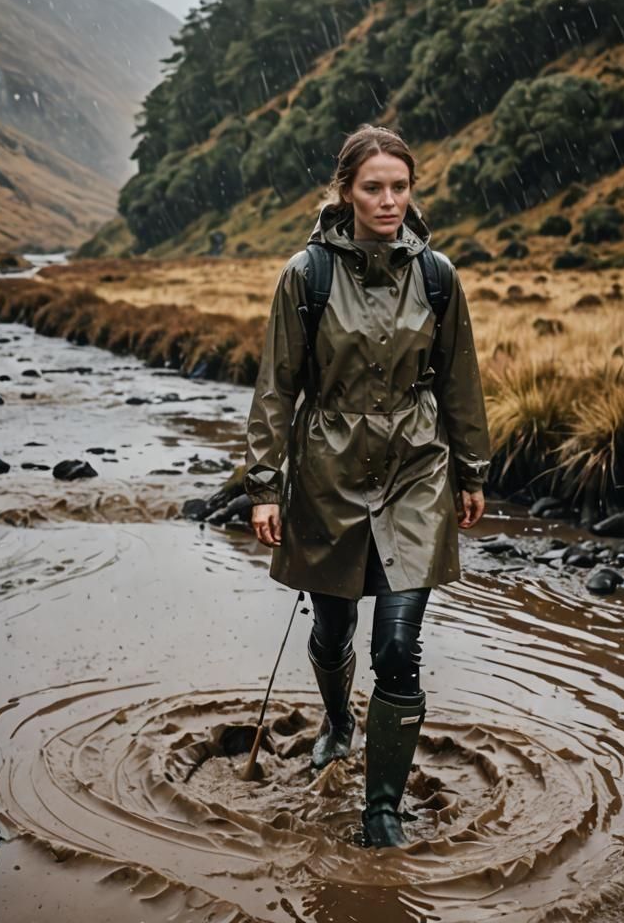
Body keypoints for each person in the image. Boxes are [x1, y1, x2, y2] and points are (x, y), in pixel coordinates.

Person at [243, 124, 491, 848]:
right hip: (326, 474)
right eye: (373, 188)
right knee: (332, 628)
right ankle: (340, 721)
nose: (389, 201)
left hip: (417, 470)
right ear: (345, 192)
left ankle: (382, 806)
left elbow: (459, 382)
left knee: (397, 648)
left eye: (400, 187)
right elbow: (275, 389)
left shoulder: (438, 276)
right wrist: (264, 485)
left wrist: (472, 469)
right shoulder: (306, 275)